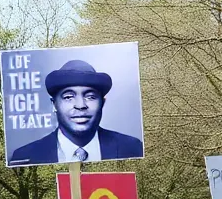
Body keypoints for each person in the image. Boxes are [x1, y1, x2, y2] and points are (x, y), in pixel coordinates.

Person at [9, 59, 143, 164]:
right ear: (54, 104)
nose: (80, 105)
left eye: (90, 96)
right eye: (68, 97)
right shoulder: (25, 156)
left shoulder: (132, 148)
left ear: (103, 103)